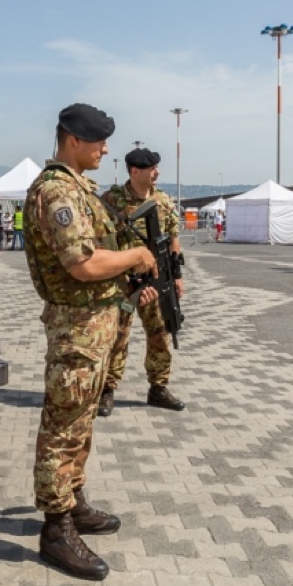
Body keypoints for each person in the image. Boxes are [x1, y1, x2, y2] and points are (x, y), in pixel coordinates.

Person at [24, 102, 158, 581]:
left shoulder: (81, 189)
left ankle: (74, 500)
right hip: (76, 330)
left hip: (95, 325)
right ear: (72, 140)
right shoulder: (56, 191)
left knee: (80, 422)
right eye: (99, 140)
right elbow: (82, 265)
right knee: (63, 426)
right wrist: (135, 256)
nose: (106, 148)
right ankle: (56, 529)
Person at [98, 147, 186, 417]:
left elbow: (173, 238)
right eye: (152, 168)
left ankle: (158, 388)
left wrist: (178, 278)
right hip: (123, 282)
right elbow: (100, 240)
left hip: (158, 280)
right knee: (118, 335)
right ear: (135, 171)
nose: (157, 172)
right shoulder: (111, 200)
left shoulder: (163, 201)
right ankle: (107, 390)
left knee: (161, 332)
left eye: (157, 167)